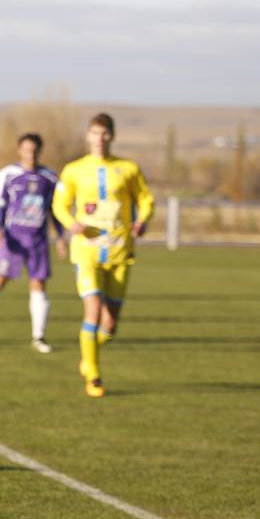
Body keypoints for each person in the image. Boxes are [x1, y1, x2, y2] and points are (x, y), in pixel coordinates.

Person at [52, 113, 154, 398]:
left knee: (110, 325)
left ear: (112, 136)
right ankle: (94, 375)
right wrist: (70, 223)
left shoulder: (128, 169)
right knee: (93, 311)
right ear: (88, 135)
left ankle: (90, 353)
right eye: (95, 133)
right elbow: (60, 203)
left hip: (120, 251)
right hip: (86, 251)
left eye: (105, 133)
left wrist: (143, 220)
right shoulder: (73, 170)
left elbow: (145, 199)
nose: (100, 138)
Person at [0, 133, 68, 353]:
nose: (30, 154)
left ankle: (38, 336)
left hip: (38, 241)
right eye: (26, 149)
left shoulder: (49, 178)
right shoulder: (8, 174)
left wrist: (61, 237)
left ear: (40, 151)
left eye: (34, 150)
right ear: (19, 150)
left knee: (39, 285)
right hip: (13, 239)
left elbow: (56, 211)